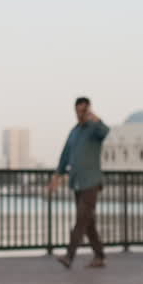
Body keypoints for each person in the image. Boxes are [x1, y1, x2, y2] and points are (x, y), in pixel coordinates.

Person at [48, 97, 111, 269]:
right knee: (88, 223)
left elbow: (106, 133)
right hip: (77, 183)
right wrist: (56, 177)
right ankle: (99, 256)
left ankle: (69, 256)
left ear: (89, 109)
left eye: (84, 110)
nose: (80, 114)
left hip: (91, 182)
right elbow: (65, 155)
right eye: (78, 111)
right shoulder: (74, 132)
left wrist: (96, 119)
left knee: (81, 219)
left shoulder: (94, 129)